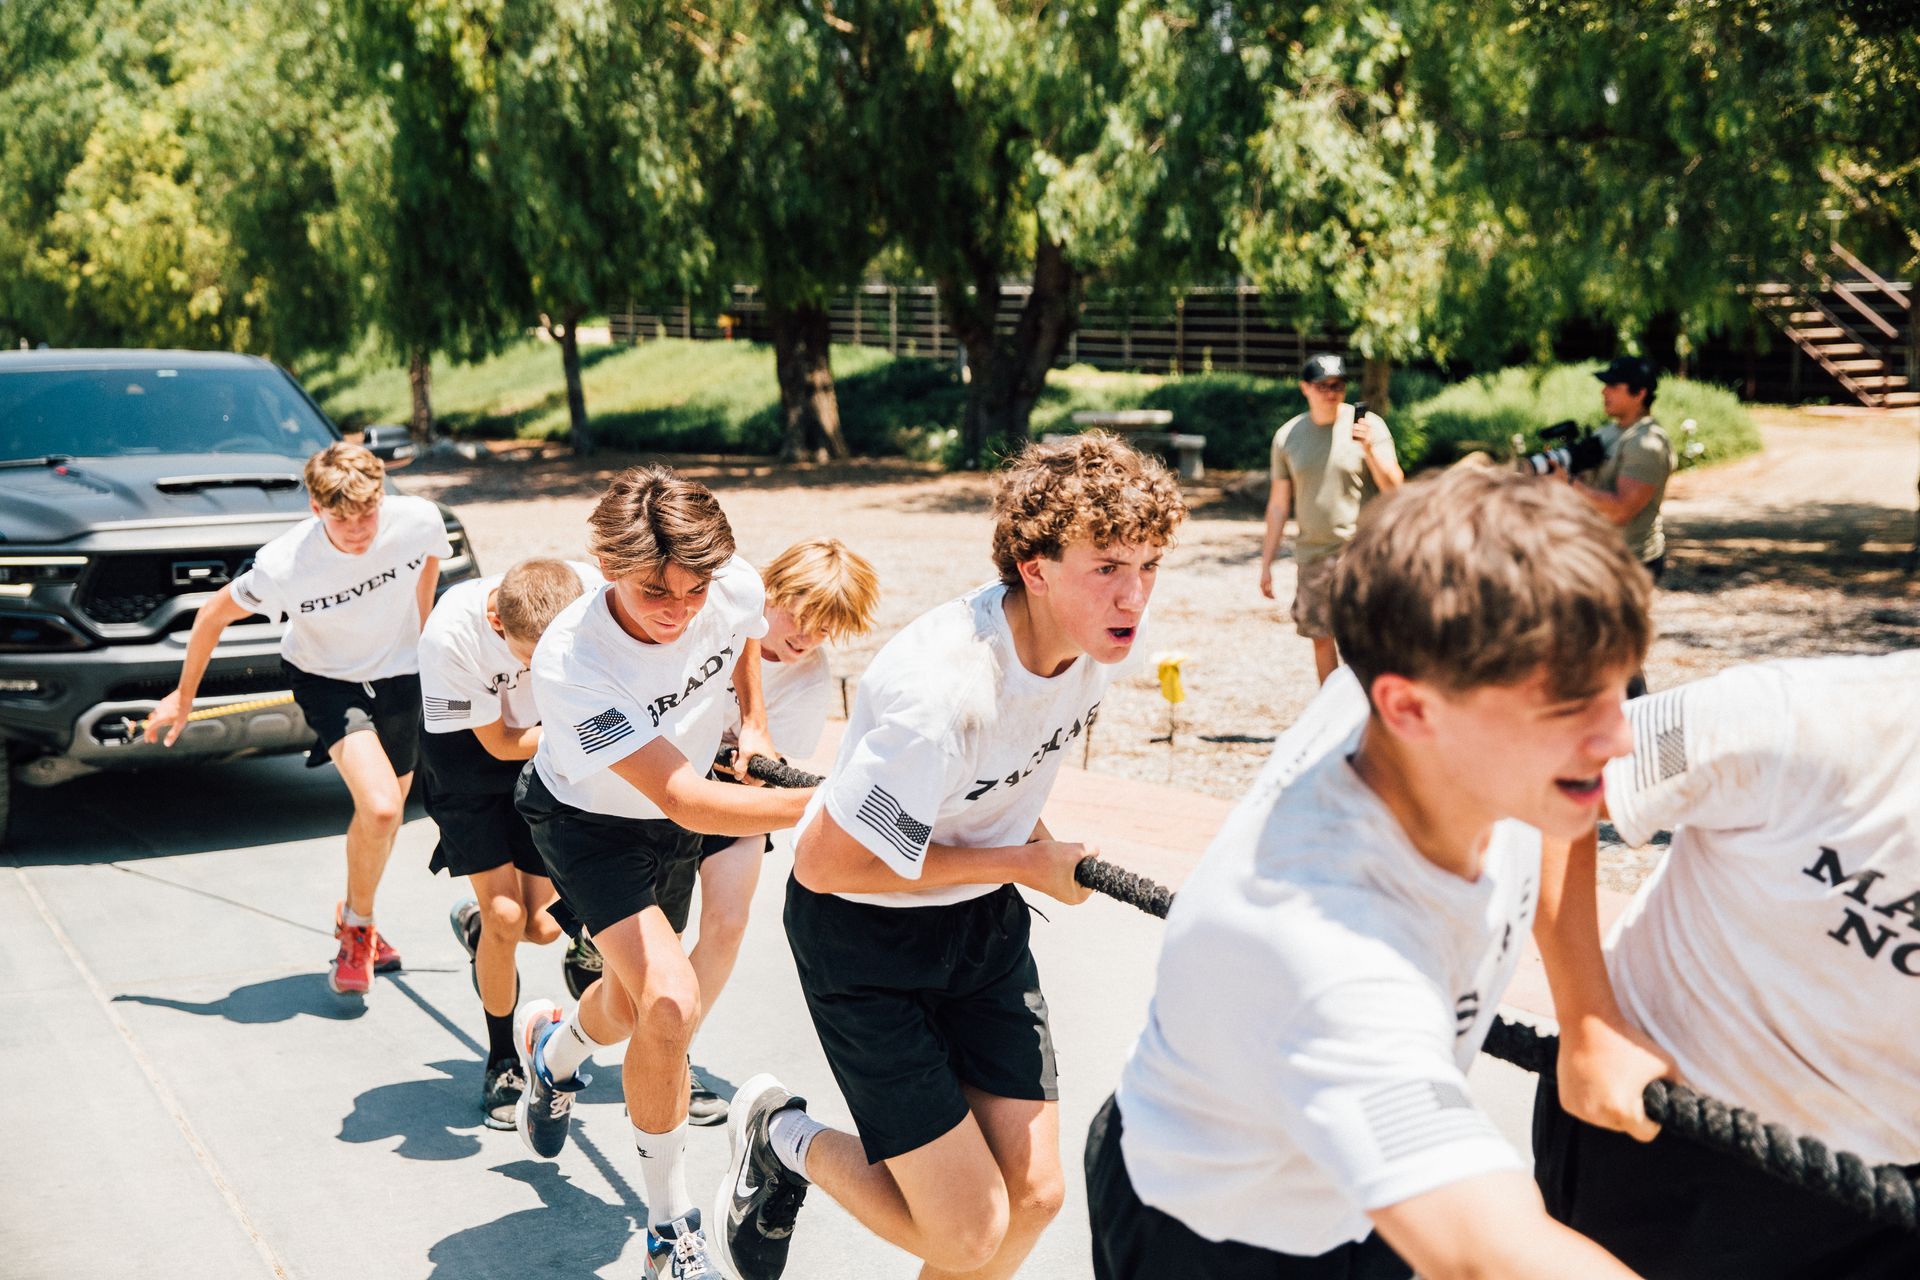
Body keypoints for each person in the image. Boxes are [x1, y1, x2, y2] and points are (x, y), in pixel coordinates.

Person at [1089, 466, 1650, 1280]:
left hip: (1359, 1190)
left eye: (1616, 693)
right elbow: (1489, 1251)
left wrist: (1588, 1014)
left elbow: (1566, 809)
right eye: (1569, 707)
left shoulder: (1455, 707)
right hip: (1219, 1229)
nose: (1619, 740)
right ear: (1408, 707)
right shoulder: (1318, 939)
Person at [712, 433, 1187, 1280]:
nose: (1135, 594)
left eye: (1149, 565)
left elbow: (1005, 773)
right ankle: (781, 1137)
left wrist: (1034, 842)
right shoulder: (941, 694)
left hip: (978, 927)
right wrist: (1025, 866)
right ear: (1036, 569)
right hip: (864, 940)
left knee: (1034, 1198)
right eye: (1109, 566)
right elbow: (824, 866)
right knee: (966, 1234)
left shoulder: (1096, 642)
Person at [507, 466, 814, 1279]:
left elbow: (742, 633)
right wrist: (839, 804)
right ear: (607, 566)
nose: (679, 609)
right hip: (588, 823)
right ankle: (669, 1229)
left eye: (693, 590)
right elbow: (682, 797)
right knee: (672, 1002)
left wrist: (753, 721)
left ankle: (554, 1052)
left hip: (672, 814)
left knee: (629, 1004)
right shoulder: (572, 660)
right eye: (654, 592)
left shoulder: (728, 584)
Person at [1530, 650, 1920, 1279]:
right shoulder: (1810, 714)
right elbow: (1559, 766)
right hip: (1673, 1133)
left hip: (1889, 1202)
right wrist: (1587, 1020)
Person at [146, 441, 449, 996]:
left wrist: (425, 641)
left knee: (382, 817)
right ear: (315, 508)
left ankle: (356, 914)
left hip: (401, 674)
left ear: (382, 498)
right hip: (326, 677)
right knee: (383, 808)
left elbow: (429, 564)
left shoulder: (419, 519)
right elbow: (212, 615)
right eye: (341, 519)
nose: (357, 531)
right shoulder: (285, 563)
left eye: (367, 514)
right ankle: (358, 931)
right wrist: (183, 698)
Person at [682, 538, 881, 1127]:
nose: (808, 637)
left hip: (734, 798)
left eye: (826, 629)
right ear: (771, 591)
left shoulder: (810, 676)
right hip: (659, 780)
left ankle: (676, 1053)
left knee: (728, 923)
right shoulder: (708, 621)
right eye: (801, 616)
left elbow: (774, 771)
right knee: (654, 929)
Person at [418, 557, 598, 1128]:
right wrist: (592, 733)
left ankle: (489, 935)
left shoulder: (592, 591)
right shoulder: (450, 636)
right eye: (531, 657)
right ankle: (502, 1060)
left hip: (542, 752)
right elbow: (497, 743)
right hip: (470, 757)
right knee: (505, 915)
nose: (543, 667)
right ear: (497, 621)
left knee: (541, 926)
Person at [1259, 352, 1405, 684]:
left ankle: (1372, 707)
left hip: (1362, 553)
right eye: (1322, 385)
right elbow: (1279, 505)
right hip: (1313, 554)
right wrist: (1267, 562)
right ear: (1305, 388)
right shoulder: (1288, 436)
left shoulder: (1369, 427)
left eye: (1338, 385)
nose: (1331, 392)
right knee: (1321, 638)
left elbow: (1396, 488)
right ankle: (1332, 707)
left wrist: (1369, 449)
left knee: (1366, 639)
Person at [1561, 356, 1674, 697]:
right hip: (1599, 559)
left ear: (1639, 393)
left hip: (1631, 562)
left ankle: (1636, 720)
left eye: (1613, 385)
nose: (1604, 391)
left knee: (1619, 654)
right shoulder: (1608, 433)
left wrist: (1567, 484)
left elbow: (1622, 509)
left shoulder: (1647, 443)